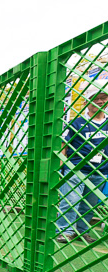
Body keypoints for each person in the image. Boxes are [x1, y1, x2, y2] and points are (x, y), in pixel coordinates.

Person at [56, 82, 108, 244]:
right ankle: (65, 231)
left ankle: (81, 231)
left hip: (100, 171)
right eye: (96, 99)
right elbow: (63, 147)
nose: (100, 102)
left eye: (103, 98)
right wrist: (59, 170)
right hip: (75, 168)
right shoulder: (76, 123)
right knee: (70, 201)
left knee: (89, 205)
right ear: (87, 103)